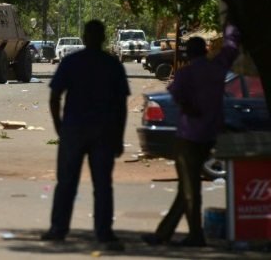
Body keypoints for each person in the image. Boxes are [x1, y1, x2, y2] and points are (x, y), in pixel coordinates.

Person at [142, 24, 240, 248]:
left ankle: (195, 235)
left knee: (189, 190)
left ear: (188, 54)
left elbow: (176, 96)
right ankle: (162, 235)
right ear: (206, 50)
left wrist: (190, 106)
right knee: (187, 188)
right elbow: (231, 49)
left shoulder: (185, 74)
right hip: (209, 136)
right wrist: (231, 25)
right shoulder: (217, 68)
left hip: (188, 137)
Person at [42, 19, 129, 250]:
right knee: (102, 185)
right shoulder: (112, 65)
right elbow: (121, 106)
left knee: (66, 183)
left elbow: (54, 97)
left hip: (74, 131)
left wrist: (60, 127)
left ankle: (58, 230)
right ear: (103, 38)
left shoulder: (72, 62)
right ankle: (104, 233)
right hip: (104, 132)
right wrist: (119, 137)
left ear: (84, 37)